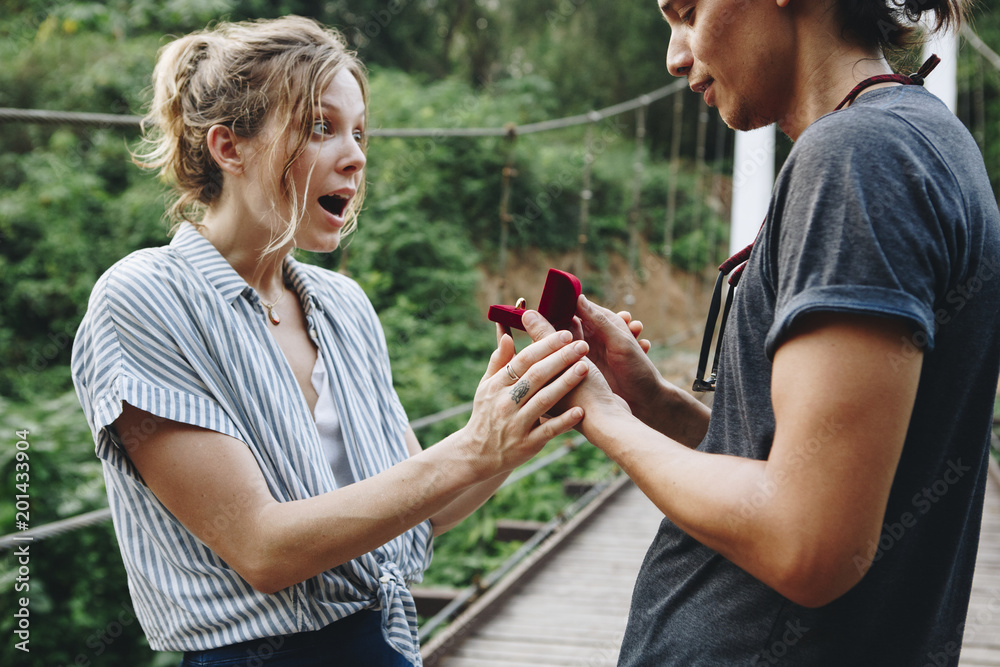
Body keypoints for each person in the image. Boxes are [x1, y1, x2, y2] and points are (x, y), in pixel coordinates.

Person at [70, 16, 595, 666]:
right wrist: (469, 446)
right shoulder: (145, 298)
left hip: (384, 645)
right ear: (229, 148)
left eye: (359, 131)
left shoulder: (345, 307)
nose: (356, 154)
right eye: (321, 127)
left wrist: (524, 415)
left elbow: (424, 508)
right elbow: (263, 550)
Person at [520, 0, 1000, 664]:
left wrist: (602, 417)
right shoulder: (922, 138)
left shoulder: (859, 158)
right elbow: (800, 470)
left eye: (687, 11)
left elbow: (809, 545)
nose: (675, 55)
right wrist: (651, 403)